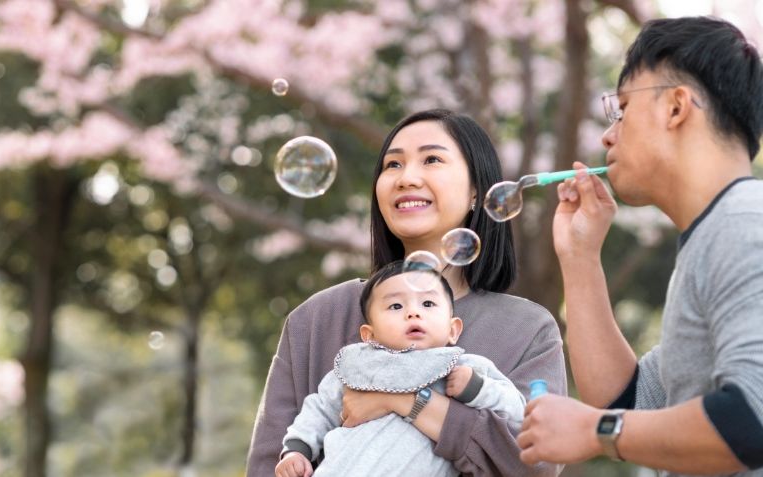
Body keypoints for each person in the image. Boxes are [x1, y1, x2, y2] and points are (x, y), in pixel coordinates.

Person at [248, 108, 566, 477]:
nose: (407, 178)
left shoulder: (527, 330)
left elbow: (537, 461)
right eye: (392, 165)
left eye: (432, 159)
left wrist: (403, 402)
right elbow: (267, 465)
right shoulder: (317, 318)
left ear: (477, 191)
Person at [516, 16, 763, 476]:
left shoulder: (745, 223)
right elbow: (628, 402)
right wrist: (580, 258)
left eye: (622, 108)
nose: (608, 136)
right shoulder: (714, 235)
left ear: (676, 107)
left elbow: (752, 418)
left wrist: (596, 430)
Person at [276, 261, 527, 477]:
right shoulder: (357, 367)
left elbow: (518, 411)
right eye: (396, 306)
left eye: (428, 303)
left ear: (453, 330)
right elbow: (318, 409)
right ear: (369, 335)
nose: (413, 313)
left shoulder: (461, 368)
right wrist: (296, 450)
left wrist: (476, 388)